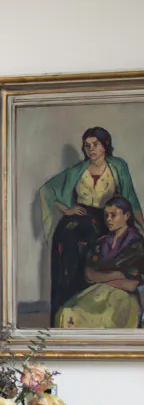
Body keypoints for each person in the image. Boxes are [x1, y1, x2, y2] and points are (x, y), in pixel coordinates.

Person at [38, 127, 142, 322]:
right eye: (87, 146)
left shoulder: (118, 166)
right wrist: (66, 210)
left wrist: (141, 225)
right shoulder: (78, 170)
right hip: (75, 225)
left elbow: (131, 198)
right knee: (69, 261)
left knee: (96, 261)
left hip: (103, 221)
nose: (91, 149)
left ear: (105, 145)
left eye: (96, 144)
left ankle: (94, 315)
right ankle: (66, 313)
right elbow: (48, 191)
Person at [56, 196, 144, 328]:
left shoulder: (137, 244)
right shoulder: (101, 242)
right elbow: (89, 274)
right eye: (106, 215)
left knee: (103, 320)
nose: (108, 219)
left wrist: (101, 277)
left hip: (123, 298)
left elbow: (131, 284)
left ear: (127, 216)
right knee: (66, 313)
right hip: (98, 292)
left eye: (113, 215)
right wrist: (119, 275)